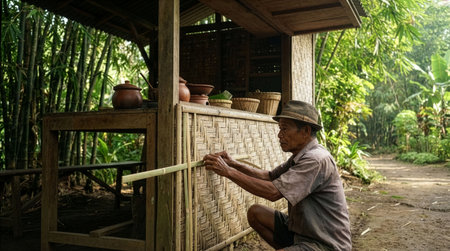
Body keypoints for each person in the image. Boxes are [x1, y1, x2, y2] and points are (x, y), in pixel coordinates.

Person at [203, 100, 351, 251]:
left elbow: (273, 192)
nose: (279, 135)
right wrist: (233, 163)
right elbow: (269, 176)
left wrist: (228, 172)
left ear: (306, 131)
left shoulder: (316, 160)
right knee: (256, 213)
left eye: (285, 129)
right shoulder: (301, 155)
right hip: (303, 233)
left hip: (325, 243)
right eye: (280, 128)